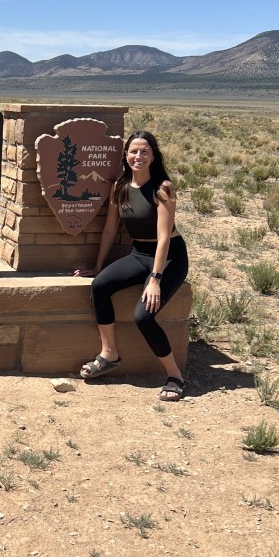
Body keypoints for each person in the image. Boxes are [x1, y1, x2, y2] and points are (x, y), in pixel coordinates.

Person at [74, 130, 189, 401]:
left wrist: (155, 279)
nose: (139, 156)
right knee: (100, 286)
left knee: (144, 315)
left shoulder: (163, 189)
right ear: (126, 156)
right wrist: (98, 266)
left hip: (170, 258)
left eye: (145, 151)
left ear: (153, 156)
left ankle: (174, 375)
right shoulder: (120, 187)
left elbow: (164, 239)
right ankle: (109, 354)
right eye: (134, 151)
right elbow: (110, 231)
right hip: (139, 254)